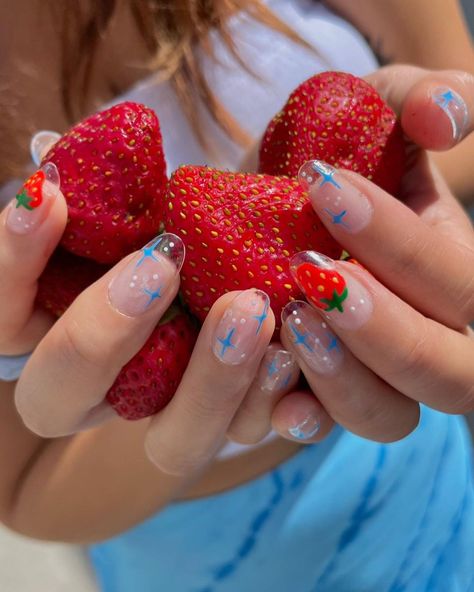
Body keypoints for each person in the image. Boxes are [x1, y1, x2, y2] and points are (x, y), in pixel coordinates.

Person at [0, 1, 473, 590]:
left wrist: (400, 190)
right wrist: (184, 391)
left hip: (422, 475)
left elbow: (456, 90)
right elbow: (23, 491)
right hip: (200, 549)